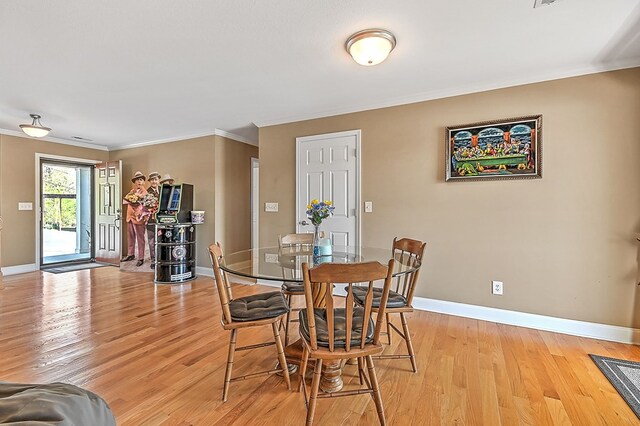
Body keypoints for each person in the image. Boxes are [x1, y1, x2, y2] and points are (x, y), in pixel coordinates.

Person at [122, 171, 148, 267]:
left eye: (141, 180)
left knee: (140, 238)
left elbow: (146, 206)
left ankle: (141, 257)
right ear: (135, 182)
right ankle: (130, 254)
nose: (139, 182)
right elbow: (125, 200)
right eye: (137, 180)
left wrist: (137, 201)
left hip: (138, 218)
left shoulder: (145, 193)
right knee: (130, 237)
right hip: (129, 216)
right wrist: (130, 199)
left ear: (144, 182)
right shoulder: (132, 191)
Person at [146, 172, 161, 269]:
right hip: (151, 221)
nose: (154, 181)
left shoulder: (162, 190)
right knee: (152, 242)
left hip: (161, 220)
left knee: (160, 241)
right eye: (152, 180)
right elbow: (144, 206)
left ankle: (160, 259)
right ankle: (153, 261)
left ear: (158, 180)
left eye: (156, 179)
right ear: (150, 181)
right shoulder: (147, 192)